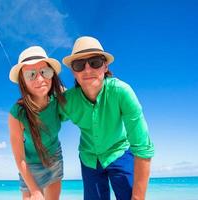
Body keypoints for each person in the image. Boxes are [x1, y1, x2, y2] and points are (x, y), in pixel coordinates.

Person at [59, 36, 155, 200]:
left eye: (94, 62)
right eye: (79, 65)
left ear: (105, 66)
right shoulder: (68, 101)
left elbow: (143, 148)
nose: (87, 70)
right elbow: (46, 117)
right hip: (89, 159)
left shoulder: (122, 92)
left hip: (120, 152)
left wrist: (138, 197)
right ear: (74, 72)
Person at [8, 46, 66, 200]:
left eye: (45, 72)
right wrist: (34, 190)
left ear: (52, 74)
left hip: (54, 157)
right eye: (31, 74)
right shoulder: (17, 114)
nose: (40, 79)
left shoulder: (60, 97)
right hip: (29, 165)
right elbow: (19, 157)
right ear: (23, 81)